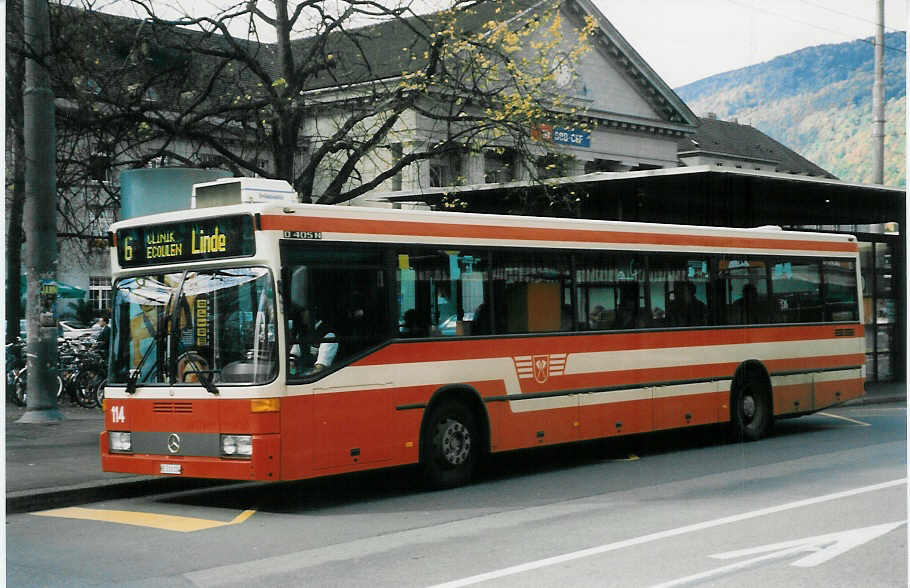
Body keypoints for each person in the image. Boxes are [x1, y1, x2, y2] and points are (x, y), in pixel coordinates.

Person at [289, 306, 337, 375]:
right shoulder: (303, 332)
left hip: (316, 378)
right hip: (302, 372)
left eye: (304, 310)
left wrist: (302, 380)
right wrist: (291, 372)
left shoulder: (328, 334)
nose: (301, 314)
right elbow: (293, 356)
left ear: (313, 312)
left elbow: (320, 367)